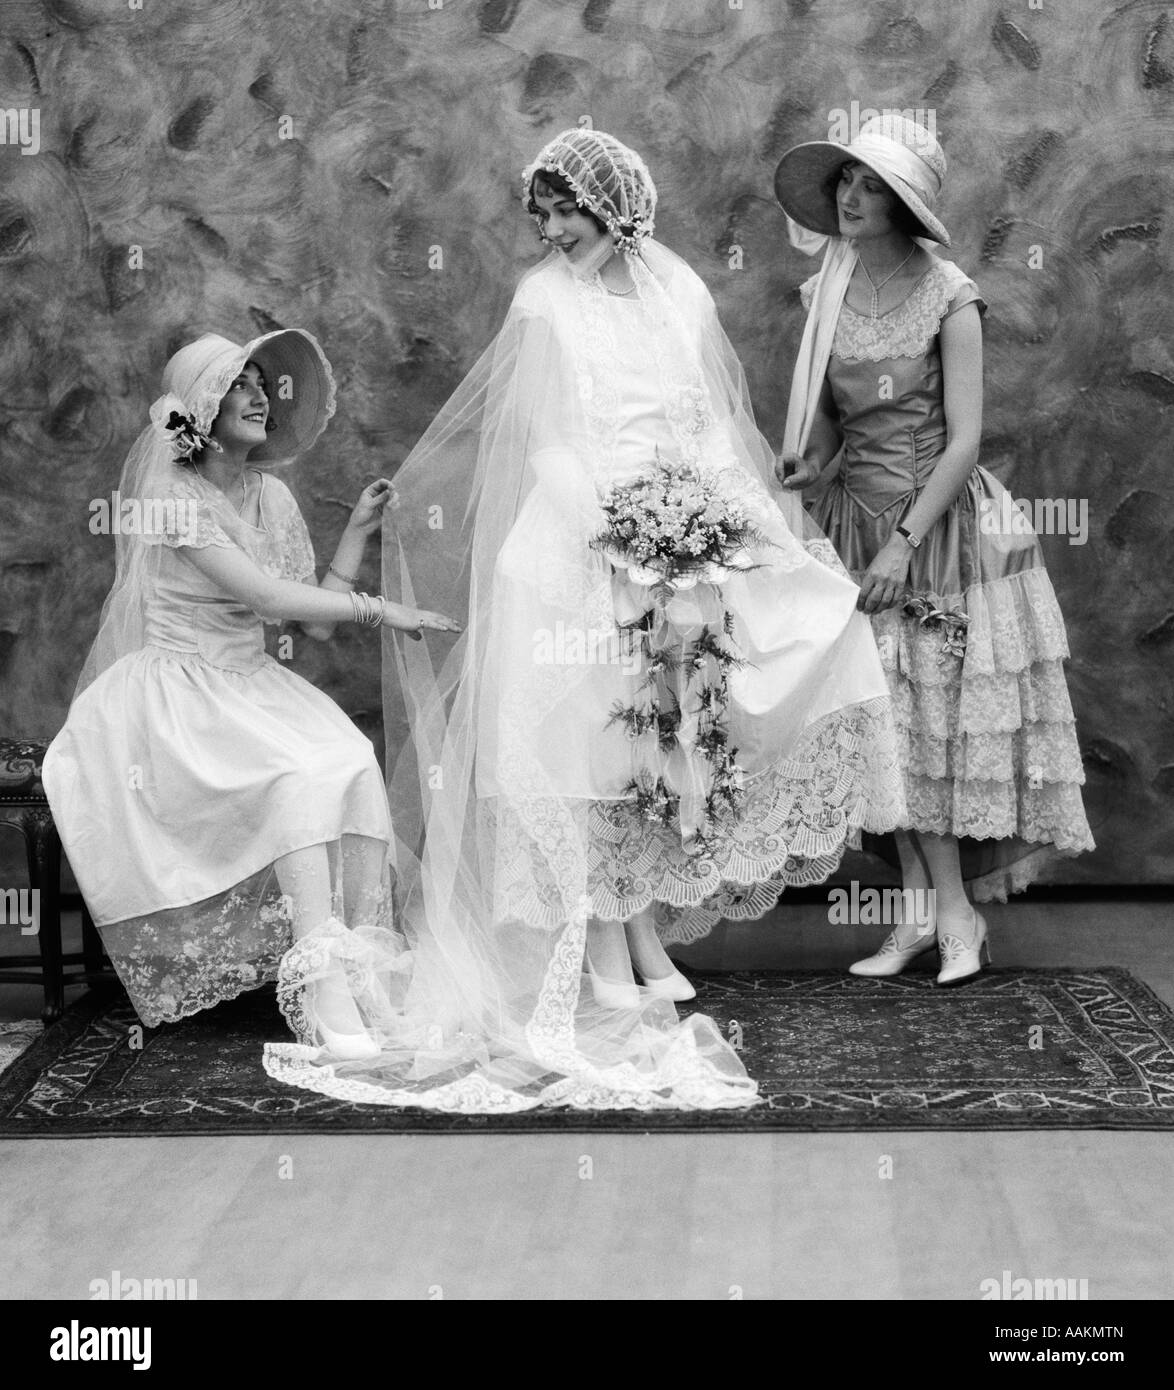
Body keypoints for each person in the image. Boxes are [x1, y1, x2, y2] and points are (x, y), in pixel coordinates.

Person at [261, 128, 904, 1113]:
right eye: (544, 215)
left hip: (678, 534)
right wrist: (622, 536)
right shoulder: (542, 301)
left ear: (619, 206)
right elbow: (552, 443)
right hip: (579, 544)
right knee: (591, 747)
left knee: (667, 738)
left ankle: (640, 924)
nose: (555, 231)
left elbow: (703, 423)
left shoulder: (679, 289)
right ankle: (600, 936)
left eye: (570, 210)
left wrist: (732, 527)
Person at [42, 330, 457, 1057]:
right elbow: (265, 596)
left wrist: (356, 533)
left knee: (351, 761)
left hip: (251, 686)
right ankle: (323, 988)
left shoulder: (271, 494)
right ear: (200, 406)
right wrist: (384, 608)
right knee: (300, 780)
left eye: (265, 382)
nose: (262, 395)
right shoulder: (173, 496)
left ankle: (359, 978)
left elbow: (307, 620)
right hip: (177, 698)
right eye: (241, 383)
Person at [773, 115, 1094, 984]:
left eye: (871, 185)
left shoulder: (950, 294)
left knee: (923, 730)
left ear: (905, 205)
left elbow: (964, 440)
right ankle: (924, 915)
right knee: (882, 730)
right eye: (846, 180)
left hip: (940, 530)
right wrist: (809, 467)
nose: (850, 196)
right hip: (852, 524)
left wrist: (902, 546)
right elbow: (837, 428)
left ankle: (956, 917)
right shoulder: (824, 295)